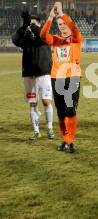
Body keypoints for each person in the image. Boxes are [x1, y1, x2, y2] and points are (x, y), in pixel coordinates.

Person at [40, 2, 82, 153]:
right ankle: (65, 140)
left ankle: (71, 142)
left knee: (70, 110)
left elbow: (75, 28)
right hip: (56, 78)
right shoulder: (56, 40)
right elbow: (43, 35)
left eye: (64, 23)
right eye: (60, 24)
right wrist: (51, 17)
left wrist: (62, 14)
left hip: (72, 78)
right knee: (60, 112)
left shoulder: (76, 39)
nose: (63, 25)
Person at [11, 11, 54, 140]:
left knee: (46, 101)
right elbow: (14, 39)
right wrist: (24, 26)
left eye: (33, 24)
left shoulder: (44, 35)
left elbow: (41, 35)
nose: (31, 26)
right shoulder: (26, 38)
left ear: (39, 25)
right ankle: (36, 131)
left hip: (43, 74)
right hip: (29, 75)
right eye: (30, 24)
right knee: (33, 104)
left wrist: (32, 26)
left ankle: (50, 129)